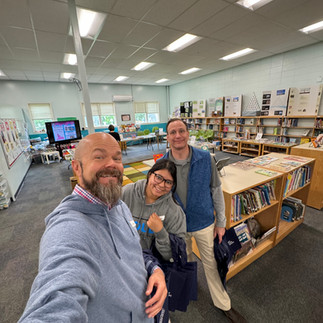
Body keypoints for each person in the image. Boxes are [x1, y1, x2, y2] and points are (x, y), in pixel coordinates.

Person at [18, 132, 167, 323]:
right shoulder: (69, 228)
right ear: (77, 168)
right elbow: (55, 301)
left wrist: (154, 269)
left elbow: (132, 251)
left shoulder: (118, 205)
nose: (112, 164)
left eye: (117, 157)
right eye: (99, 156)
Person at [162, 118, 246, 323]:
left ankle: (223, 303)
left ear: (188, 133)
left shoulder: (205, 158)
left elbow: (216, 192)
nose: (177, 135)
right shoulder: (162, 164)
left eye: (181, 130)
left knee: (211, 263)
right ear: (167, 137)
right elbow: (159, 198)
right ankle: (190, 288)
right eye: (172, 132)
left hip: (204, 222)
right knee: (186, 260)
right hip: (178, 226)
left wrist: (221, 222)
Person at [122, 159, 187, 261]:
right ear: (149, 175)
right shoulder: (127, 193)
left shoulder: (174, 212)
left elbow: (173, 256)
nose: (161, 185)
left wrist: (160, 232)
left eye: (168, 182)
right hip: (122, 259)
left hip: (153, 267)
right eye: (158, 177)